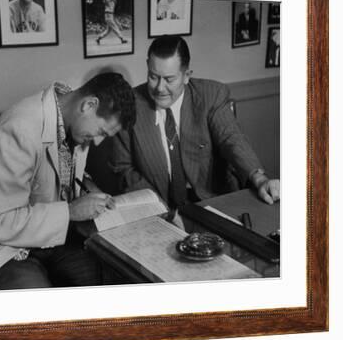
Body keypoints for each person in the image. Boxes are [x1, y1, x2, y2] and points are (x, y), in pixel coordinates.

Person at [0, 73, 136, 291]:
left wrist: (87, 188)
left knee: (107, 281)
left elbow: (54, 174)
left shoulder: (72, 123)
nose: (97, 142)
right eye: (100, 132)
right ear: (88, 105)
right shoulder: (20, 128)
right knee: (41, 307)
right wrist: (71, 212)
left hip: (49, 241)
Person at [112, 35, 280, 218]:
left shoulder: (211, 95)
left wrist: (259, 178)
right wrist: (157, 207)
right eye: (153, 77)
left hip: (212, 204)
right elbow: (123, 169)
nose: (160, 88)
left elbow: (231, 139)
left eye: (169, 79)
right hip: (159, 211)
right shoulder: (131, 105)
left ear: (186, 76)